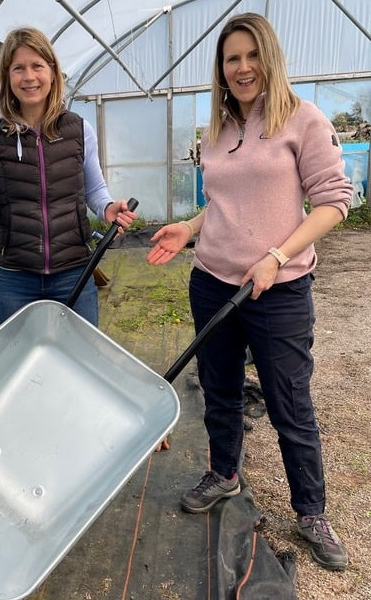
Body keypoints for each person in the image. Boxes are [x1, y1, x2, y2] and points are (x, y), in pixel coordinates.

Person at [146, 13, 351, 571]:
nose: (242, 68)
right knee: (220, 387)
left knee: (290, 402)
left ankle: (311, 511)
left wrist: (277, 256)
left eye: (250, 55)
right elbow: (226, 201)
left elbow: (333, 202)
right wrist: (190, 227)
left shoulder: (302, 121)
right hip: (213, 281)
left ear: (270, 58)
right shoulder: (216, 128)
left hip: (277, 288)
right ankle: (224, 473)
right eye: (231, 59)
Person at [0, 27, 135, 327]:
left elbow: (95, 187)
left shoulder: (78, 130)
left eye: (37, 66)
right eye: (18, 68)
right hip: (15, 279)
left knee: (79, 362)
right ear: (8, 77)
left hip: (74, 272)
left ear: (52, 72)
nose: (29, 77)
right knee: (20, 363)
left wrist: (108, 208)